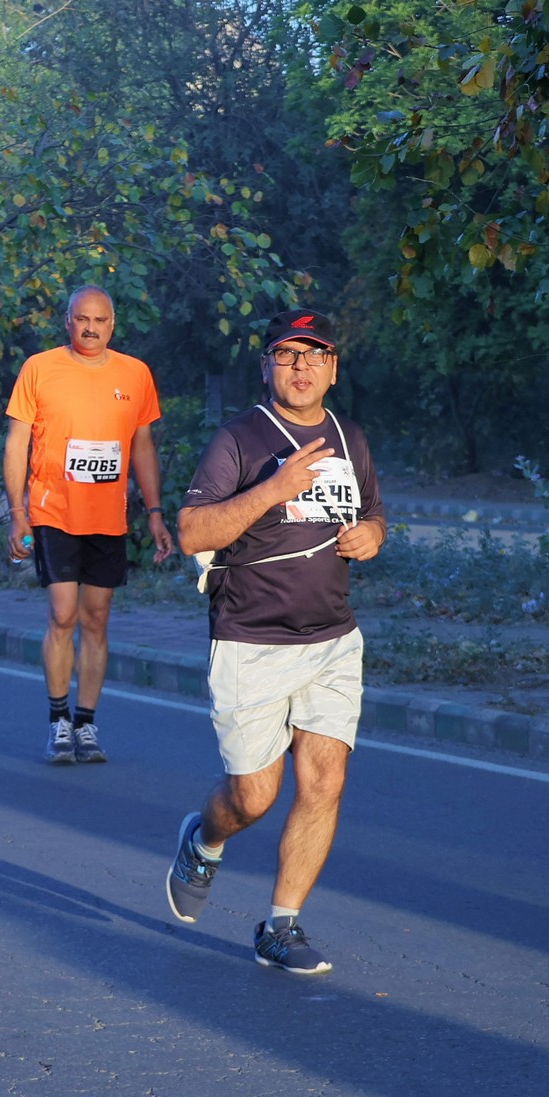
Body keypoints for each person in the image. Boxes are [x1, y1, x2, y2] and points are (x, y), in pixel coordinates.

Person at [163, 309, 385, 977]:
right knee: (254, 797)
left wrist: (373, 535)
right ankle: (204, 839)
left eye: (314, 355)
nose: (301, 366)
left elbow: (373, 511)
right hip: (250, 640)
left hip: (332, 638)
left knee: (325, 780)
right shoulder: (240, 438)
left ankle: (281, 925)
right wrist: (274, 489)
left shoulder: (350, 437)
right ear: (267, 366)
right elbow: (192, 531)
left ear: (333, 369)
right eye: (288, 355)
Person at [3, 286, 174, 764]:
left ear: (112, 324)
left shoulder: (135, 374)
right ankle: (58, 720)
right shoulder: (39, 368)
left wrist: (155, 513)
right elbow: (16, 443)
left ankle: (86, 723)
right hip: (54, 511)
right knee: (63, 614)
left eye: (100, 320)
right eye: (82, 319)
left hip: (107, 516)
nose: (91, 328)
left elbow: (142, 446)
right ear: (68, 321)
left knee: (96, 617)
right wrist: (16, 512)